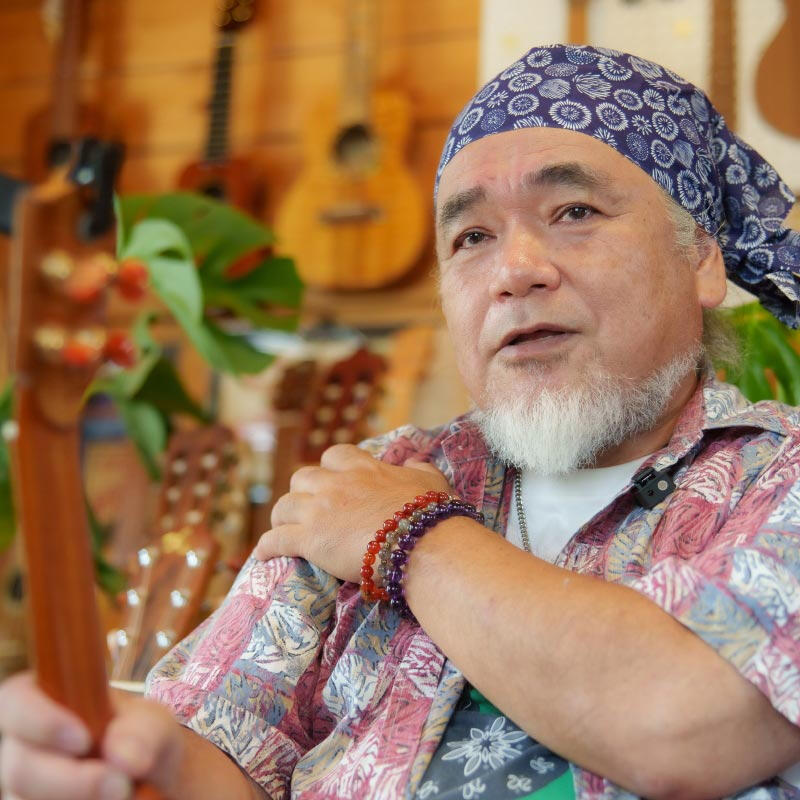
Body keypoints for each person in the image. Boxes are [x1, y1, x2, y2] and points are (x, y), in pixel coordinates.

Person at [3, 43, 800, 800]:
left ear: (701, 259)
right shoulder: (368, 476)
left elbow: (689, 720)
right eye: (472, 236)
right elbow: (220, 750)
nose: (515, 270)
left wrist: (409, 535)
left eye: (574, 210)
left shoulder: (778, 476)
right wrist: (141, 758)